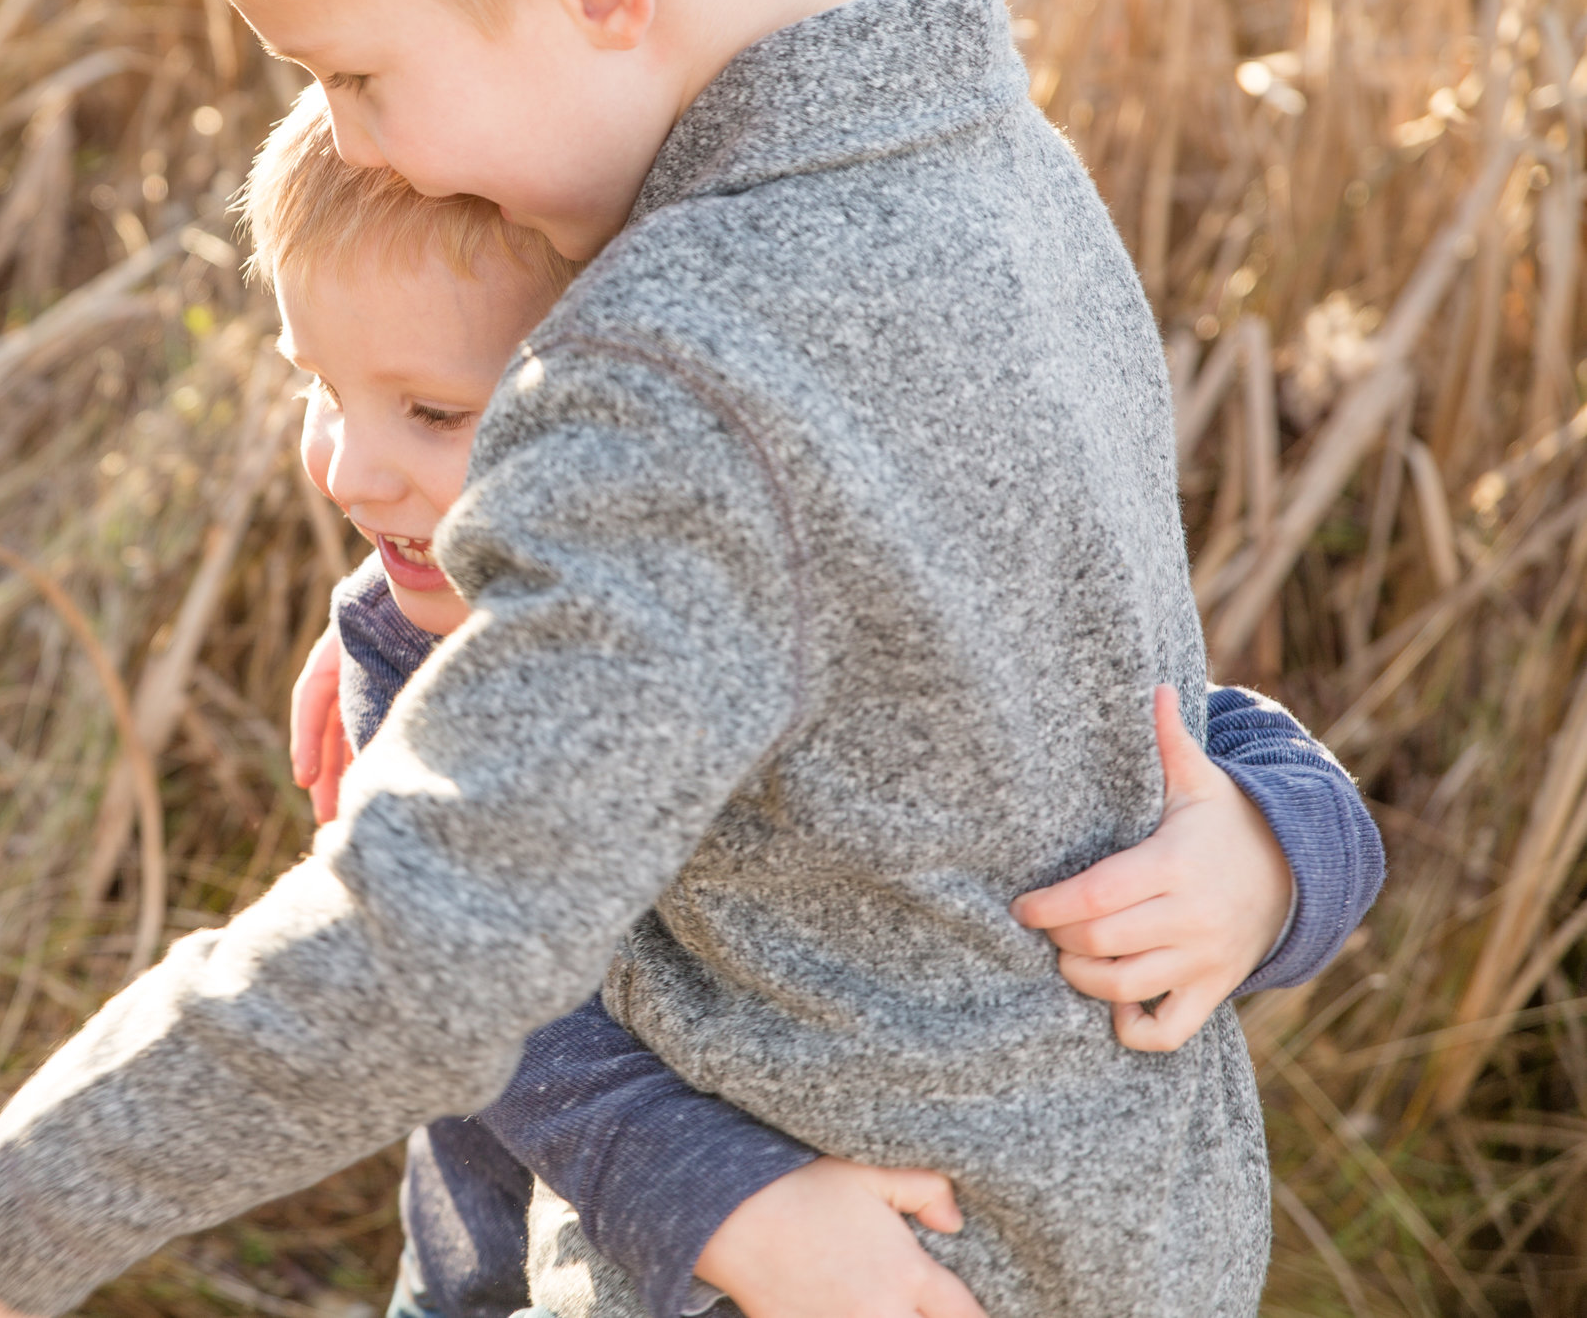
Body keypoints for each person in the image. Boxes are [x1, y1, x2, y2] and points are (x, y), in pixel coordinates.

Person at [0, 0, 1388, 1312]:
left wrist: (42, 1198)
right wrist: (1270, 851)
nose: (343, 144)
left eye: (351, 72)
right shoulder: (997, 175)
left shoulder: (678, 368)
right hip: (1142, 1235)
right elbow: (1071, 694)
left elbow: (438, 937)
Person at [242, 94, 1381, 1318]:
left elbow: (1147, 721)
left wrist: (1269, 855)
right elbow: (501, 1020)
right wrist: (734, 1202)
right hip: (524, 1269)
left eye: (432, 412)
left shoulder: (786, 574)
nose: (349, 471)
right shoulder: (403, 658)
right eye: (321, 386)